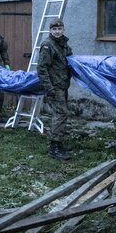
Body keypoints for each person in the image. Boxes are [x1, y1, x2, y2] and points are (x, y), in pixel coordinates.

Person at [37, 18, 73, 161]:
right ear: (50, 30)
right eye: (54, 29)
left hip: (63, 84)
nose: (57, 32)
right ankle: (54, 147)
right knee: (60, 114)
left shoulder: (64, 44)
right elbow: (41, 68)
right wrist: (49, 88)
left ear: (63, 30)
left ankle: (59, 142)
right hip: (55, 86)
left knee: (62, 114)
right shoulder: (47, 45)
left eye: (59, 29)